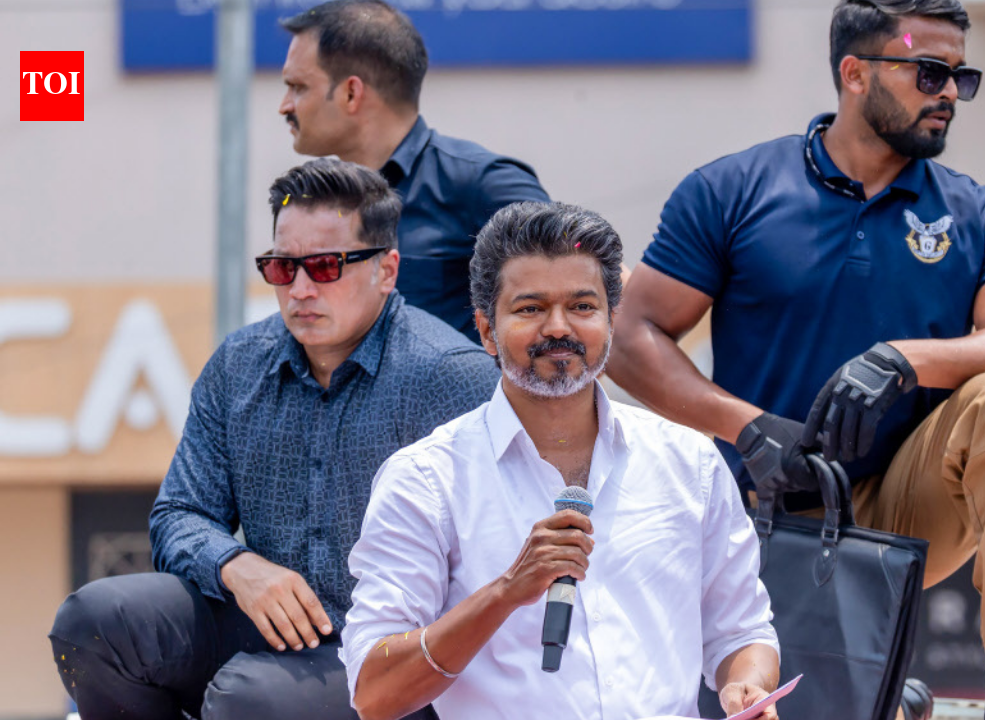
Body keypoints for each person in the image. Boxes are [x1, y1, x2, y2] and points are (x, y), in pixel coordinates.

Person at [607, 0, 985, 718]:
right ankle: (887, 696)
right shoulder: (733, 190)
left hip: (904, 507)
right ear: (855, 73)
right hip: (761, 510)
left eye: (961, 76)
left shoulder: (984, 215)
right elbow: (629, 334)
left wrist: (900, 359)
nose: (950, 93)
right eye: (930, 72)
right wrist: (746, 427)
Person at [48, 159, 499, 720]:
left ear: (387, 270)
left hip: (390, 655)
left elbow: (493, 559)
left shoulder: (452, 378)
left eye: (326, 266)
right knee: (94, 623)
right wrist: (236, 565)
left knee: (249, 699)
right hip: (260, 621)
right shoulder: (238, 365)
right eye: (283, 267)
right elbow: (179, 513)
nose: (301, 289)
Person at [340, 202, 781, 720]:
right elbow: (375, 693)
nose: (557, 327)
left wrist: (746, 687)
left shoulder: (690, 462)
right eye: (530, 309)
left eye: (582, 306)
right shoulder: (426, 479)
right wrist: (505, 593)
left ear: (611, 322)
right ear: (486, 330)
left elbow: (741, 631)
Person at [279, 0, 550, 343]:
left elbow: (580, 299)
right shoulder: (319, 198)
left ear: (351, 93)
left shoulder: (481, 184)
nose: (284, 106)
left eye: (298, 86)